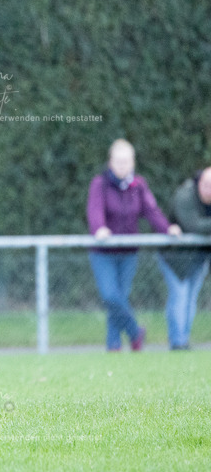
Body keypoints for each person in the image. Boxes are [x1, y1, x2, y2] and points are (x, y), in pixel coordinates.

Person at [87, 139, 180, 352]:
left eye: (126, 161)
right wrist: (99, 228)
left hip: (129, 252)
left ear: (133, 163)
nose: (122, 165)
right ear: (110, 162)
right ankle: (135, 332)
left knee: (120, 298)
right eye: (118, 161)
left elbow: (151, 211)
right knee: (110, 296)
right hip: (103, 252)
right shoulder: (99, 184)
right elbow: (94, 211)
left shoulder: (138, 185)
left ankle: (114, 345)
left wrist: (167, 229)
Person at [156, 167, 211, 350]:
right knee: (179, 296)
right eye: (206, 184)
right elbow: (193, 225)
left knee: (190, 299)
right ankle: (177, 341)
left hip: (198, 258)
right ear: (199, 183)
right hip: (174, 257)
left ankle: (183, 339)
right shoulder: (185, 196)